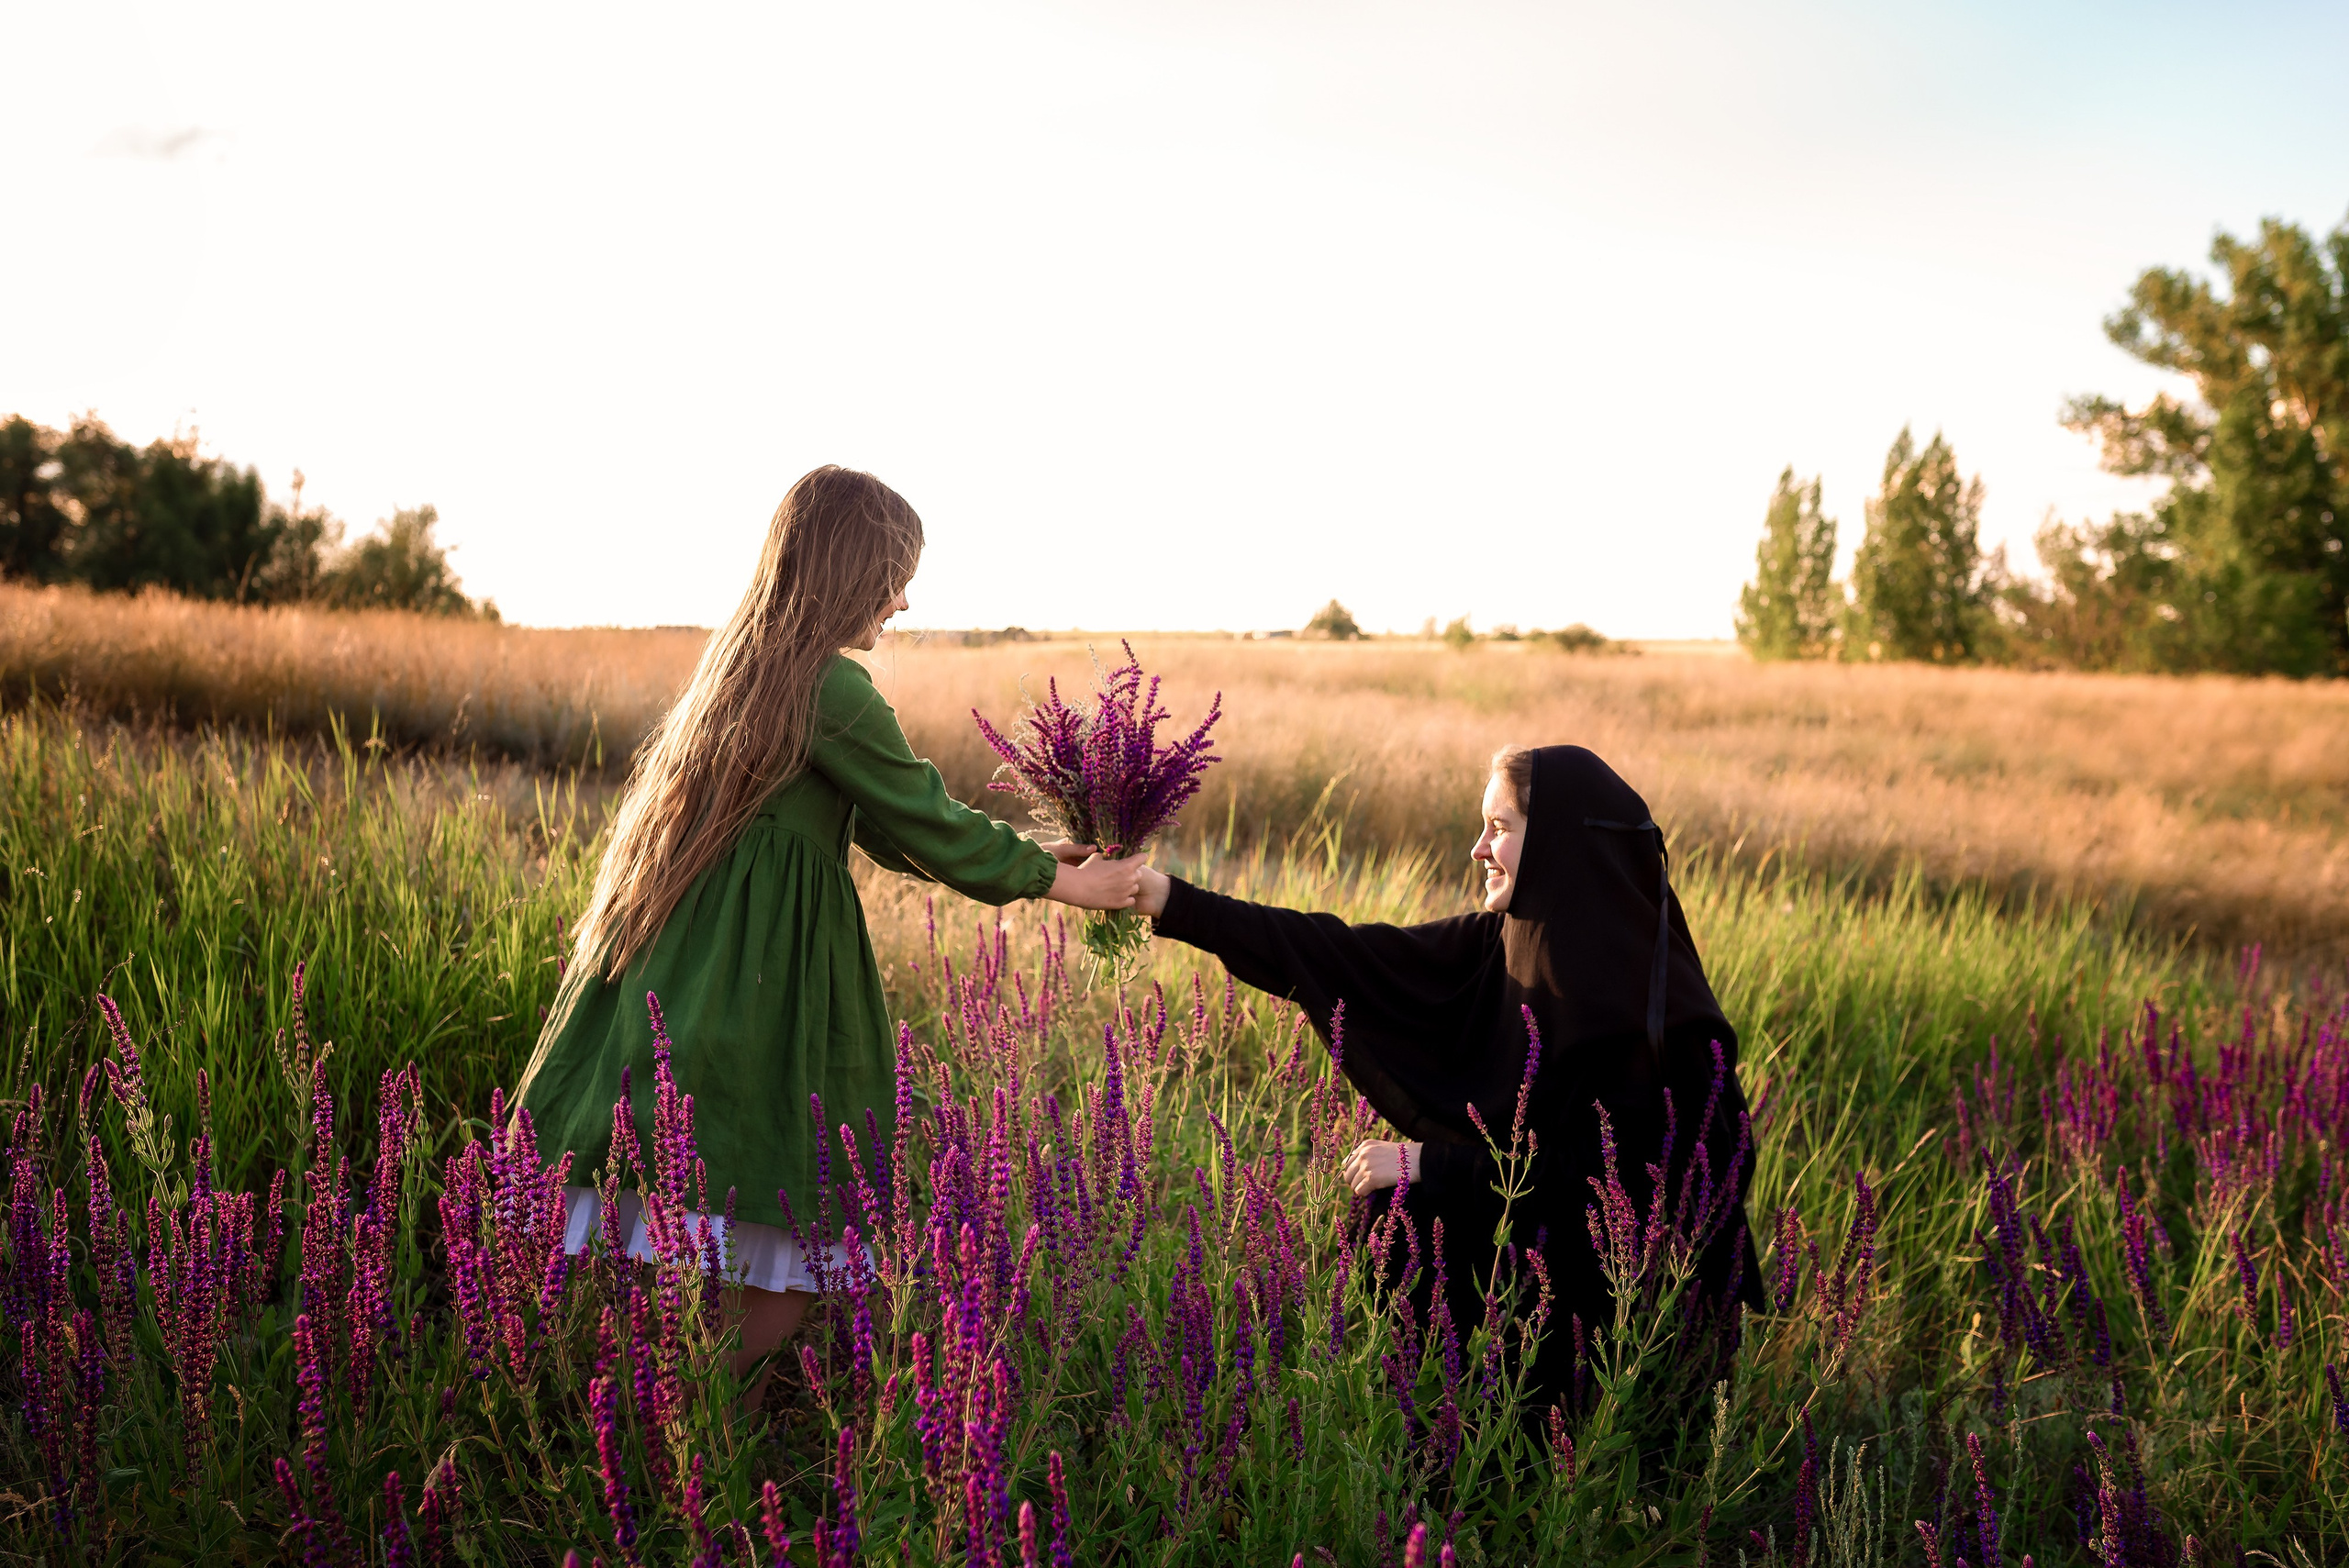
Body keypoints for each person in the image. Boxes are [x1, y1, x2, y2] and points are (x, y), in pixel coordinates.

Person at [514, 465, 1141, 1398]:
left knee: (679, 1210)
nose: (904, 596)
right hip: (759, 977)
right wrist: (1065, 885)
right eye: (894, 571)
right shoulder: (834, 687)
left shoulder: (745, 668)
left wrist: (1034, 848)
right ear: (849, 572)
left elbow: (892, 824)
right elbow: (927, 821)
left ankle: (634, 1410)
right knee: (776, 1234)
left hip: (692, 966)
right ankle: (683, 1417)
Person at [1130, 742, 1763, 1418]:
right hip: (1539, 1257)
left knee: (1407, 1188)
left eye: (1500, 827)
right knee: (1396, 1211)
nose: (1478, 847)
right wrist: (1157, 895)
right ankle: (1434, 1420)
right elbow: (1332, 950)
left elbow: (1631, 1186)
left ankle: (1529, 1450)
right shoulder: (1504, 941)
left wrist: (1428, 1161)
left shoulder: (1652, 1005)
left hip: (1622, 1307)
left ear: (1555, 840)